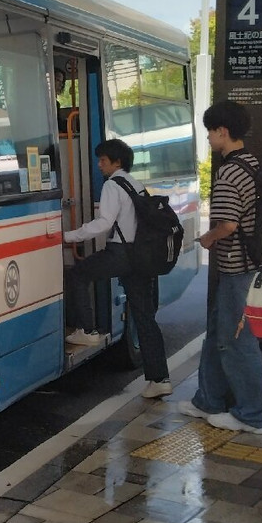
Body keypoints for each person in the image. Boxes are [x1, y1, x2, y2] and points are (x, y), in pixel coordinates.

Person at [178, 100, 262, 434]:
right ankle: (208, 400)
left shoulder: (230, 171)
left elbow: (229, 224)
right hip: (242, 267)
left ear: (223, 132)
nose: (208, 139)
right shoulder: (251, 163)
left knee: (238, 340)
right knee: (218, 334)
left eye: (210, 132)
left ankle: (251, 415)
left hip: (238, 268)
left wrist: (208, 238)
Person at [62, 139, 171, 398]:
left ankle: (87, 331)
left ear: (116, 162)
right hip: (141, 256)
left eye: (103, 160)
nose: (99, 165)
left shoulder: (112, 184)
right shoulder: (135, 184)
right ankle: (160, 379)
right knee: (145, 317)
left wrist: (68, 236)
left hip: (120, 254)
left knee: (77, 274)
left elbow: (104, 223)